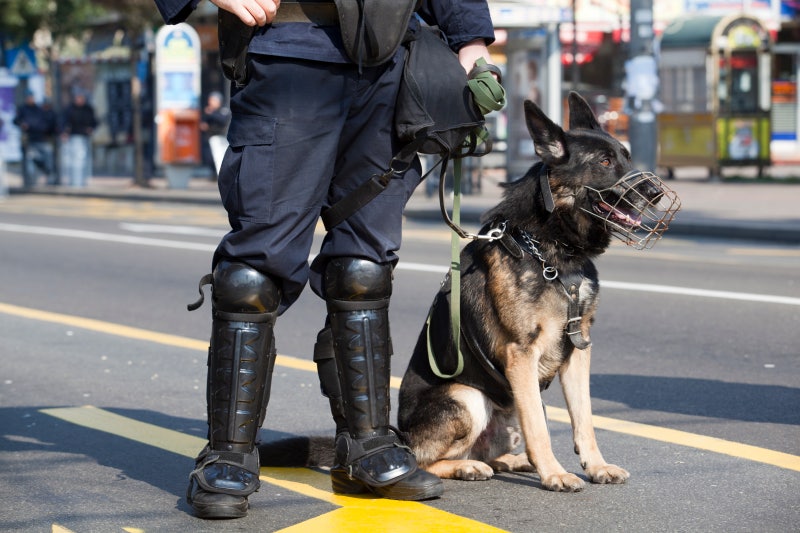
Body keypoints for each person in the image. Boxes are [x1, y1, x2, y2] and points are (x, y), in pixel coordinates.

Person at [154, 0, 496, 520]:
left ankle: (367, 446)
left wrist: (470, 39)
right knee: (251, 276)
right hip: (289, 54)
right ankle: (228, 452)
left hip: (388, 64)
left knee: (363, 270)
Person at [13, 92, 56, 188]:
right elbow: (15, 121)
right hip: (30, 140)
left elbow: (46, 123)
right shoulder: (23, 109)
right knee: (30, 161)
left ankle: (49, 177)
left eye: (31, 97)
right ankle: (31, 181)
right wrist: (22, 124)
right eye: (28, 98)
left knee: (47, 160)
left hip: (42, 138)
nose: (30, 99)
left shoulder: (39, 109)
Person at [60, 91, 97, 188]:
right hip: (73, 137)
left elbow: (94, 122)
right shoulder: (70, 109)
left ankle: (82, 181)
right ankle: (74, 182)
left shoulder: (88, 109)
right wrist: (64, 132)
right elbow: (64, 122)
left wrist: (91, 128)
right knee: (75, 161)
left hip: (85, 137)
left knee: (84, 161)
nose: (79, 100)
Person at [199, 91, 231, 178]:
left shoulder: (223, 110)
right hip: (211, 137)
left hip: (222, 137)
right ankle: (217, 175)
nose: (211, 102)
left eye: (213, 100)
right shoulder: (208, 111)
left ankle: (222, 176)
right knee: (211, 158)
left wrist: (212, 113)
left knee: (220, 158)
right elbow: (204, 123)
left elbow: (223, 120)